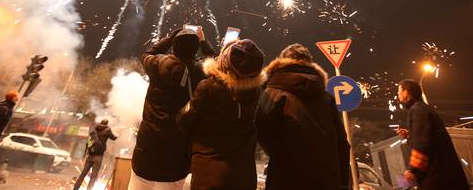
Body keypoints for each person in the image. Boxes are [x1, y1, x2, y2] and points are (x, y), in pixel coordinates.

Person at [129, 27, 214, 190]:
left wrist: (169, 37)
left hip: (145, 154)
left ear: (174, 46)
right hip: (176, 159)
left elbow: (147, 53)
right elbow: (216, 63)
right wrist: (203, 41)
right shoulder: (200, 71)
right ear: (195, 50)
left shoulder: (156, 64)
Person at [256, 44, 350, 190]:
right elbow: (342, 144)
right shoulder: (326, 99)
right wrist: (344, 182)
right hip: (326, 180)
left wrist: (280, 155)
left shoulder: (272, 94)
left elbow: (261, 132)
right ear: (310, 64)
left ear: (281, 63)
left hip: (286, 179)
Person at [177, 39, 267, 190]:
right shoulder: (255, 92)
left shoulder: (208, 87)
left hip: (209, 172)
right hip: (243, 174)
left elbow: (184, 120)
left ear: (224, 62)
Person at [396, 79, 469, 190]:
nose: (398, 94)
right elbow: (428, 137)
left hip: (438, 177)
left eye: (399, 90)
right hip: (443, 174)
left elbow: (422, 143)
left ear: (406, 92)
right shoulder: (421, 108)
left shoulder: (417, 110)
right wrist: (410, 135)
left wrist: (412, 169)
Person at [73, 119, 117, 190]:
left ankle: (75, 188)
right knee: (94, 176)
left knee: (83, 174)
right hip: (99, 156)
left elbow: (89, 141)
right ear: (107, 123)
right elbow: (113, 138)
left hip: (90, 155)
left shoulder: (94, 129)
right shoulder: (108, 130)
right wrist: (117, 135)